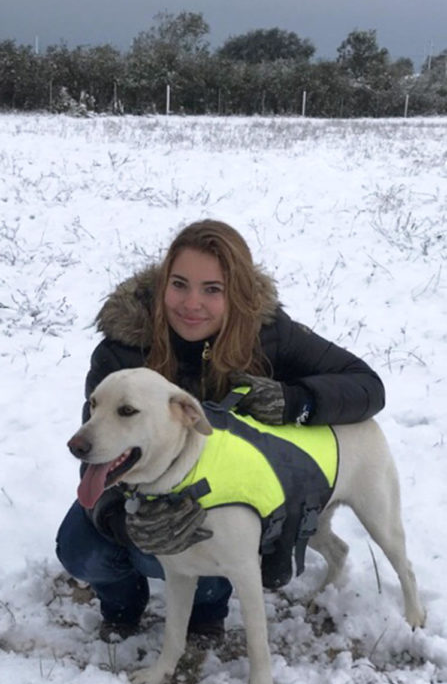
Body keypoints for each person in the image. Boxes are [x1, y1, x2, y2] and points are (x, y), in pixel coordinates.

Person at [56, 219, 385, 642]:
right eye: (179, 284)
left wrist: (295, 401)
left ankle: (208, 606)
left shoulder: (268, 335)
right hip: (140, 489)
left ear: (238, 294)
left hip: (230, 499)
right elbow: (100, 448)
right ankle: (122, 604)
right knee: (83, 549)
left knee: (200, 546)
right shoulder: (124, 347)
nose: (192, 303)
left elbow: (366, 385)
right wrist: (123, 521)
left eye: (213, 289)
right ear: (162, 284)